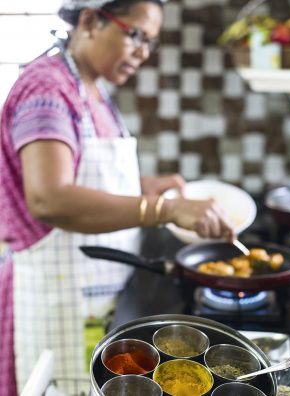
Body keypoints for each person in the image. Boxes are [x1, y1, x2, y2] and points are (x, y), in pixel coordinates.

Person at [0, 0, 235, 394]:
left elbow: (81, 171)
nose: (143, 52)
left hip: (93, 294)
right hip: (57, 297)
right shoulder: (48, 88)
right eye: (137, 35)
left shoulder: (92, 87)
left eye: (151, 43)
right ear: (90, 20)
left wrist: (143, 186)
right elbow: (49, 199)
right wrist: (165, 209)